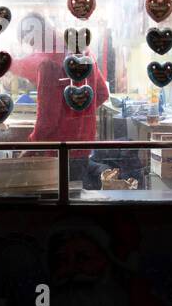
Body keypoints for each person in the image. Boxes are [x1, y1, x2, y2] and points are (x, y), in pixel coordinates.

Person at [10, 12, 109, 181]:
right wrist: (78, 114)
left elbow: (47, 120)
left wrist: (31, 148)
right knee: (75, 197)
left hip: (57, 149)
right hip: (83, 144)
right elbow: (102, 93)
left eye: (30, 42)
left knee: (56, 202)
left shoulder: (48, 62)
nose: (32, 47)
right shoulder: (83, 51)